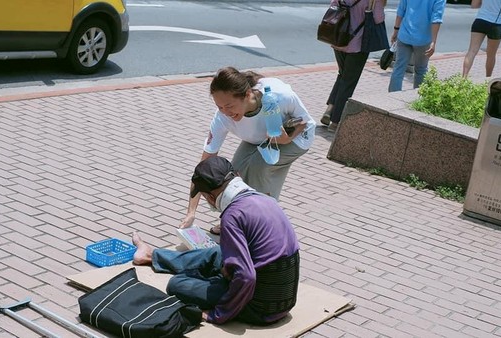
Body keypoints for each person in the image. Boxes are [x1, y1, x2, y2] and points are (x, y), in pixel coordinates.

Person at [133, 156, 300, 325]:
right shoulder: (264, 200)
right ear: (237, 175)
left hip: (260, 308)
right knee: (217, 252)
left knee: (177, 284)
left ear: (211, 197)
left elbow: (246, 277)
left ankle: (177, 267)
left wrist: (219, 314)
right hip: (284, 301)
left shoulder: (233, 216)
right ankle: (152, 256)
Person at [179, 66, 316, 234]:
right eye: (220, 106)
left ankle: (262, 224)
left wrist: (287, 138)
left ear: (247, 95)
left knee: (259, 166)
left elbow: (305, 121)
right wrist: (191, 212)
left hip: (297, 138)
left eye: (229, 106)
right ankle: (233, 220)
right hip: (260, 138)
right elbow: (203, 168)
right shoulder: (222, 117)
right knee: (232, 176)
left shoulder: (279, 96)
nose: (226, 112)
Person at [320, 0, 387, 131]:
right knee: (349, 81)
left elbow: (333, 7)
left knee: (342, 75)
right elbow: (378, 18)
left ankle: (330, 109)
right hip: (357, 43)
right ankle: (335, 121)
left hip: (338, 38)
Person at [388, 0, 445, 93]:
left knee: (398, 68)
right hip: (423, 39)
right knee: (421, 70)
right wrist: (434, 41)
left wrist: (396, 30)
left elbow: (401, 10)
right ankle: (418, 98)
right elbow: (436, 18)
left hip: (404, 35)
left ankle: (392, 98)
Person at [462, 0, 501, 78]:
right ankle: (487, 79)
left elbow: (474, 5)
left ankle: (463, 79)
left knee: (471, 52)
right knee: (491, 55)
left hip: (480, 20)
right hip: (496, 24)